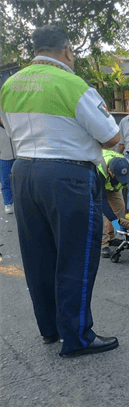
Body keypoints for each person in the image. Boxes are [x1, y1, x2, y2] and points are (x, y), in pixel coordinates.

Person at [0, 25, 120, 356]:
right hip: (68, 175)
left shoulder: (10, 85)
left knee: (38, 254)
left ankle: (50, 329)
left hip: (23, 172)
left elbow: (8, 128)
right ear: (67, 50)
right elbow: (111, 137)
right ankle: (78, 337)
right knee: (76, 256)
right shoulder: (71, 84)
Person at [98, 150, 129, 258]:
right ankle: (103, 244)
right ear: (110, 172)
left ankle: (111, 237)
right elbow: (101, 201)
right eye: (119, 178)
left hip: (112, 187)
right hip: (97, 185)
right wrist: (115, 221)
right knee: (97, 212)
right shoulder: (99, 168)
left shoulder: (128, 167)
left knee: (120, 208)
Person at [0, 117, 15, 214]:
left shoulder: (14, 126)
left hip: (19, 157)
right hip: (3, 158)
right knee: (5, 181)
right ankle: (8, 204)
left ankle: (19, 202)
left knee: (20, 182)